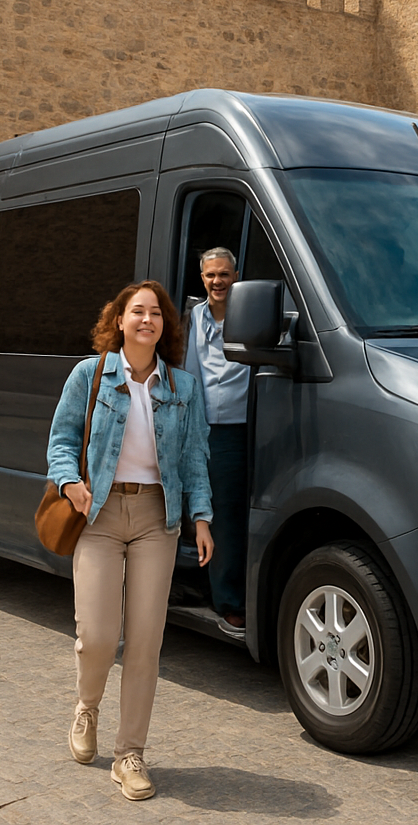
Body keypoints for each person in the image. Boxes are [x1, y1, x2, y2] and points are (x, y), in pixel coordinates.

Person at [47, 280, 214, 800]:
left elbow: (193, 457)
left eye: (156, 313)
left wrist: (201, 517)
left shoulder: (183, 387)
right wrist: (69, 482)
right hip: (97, 512)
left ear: (165, 325)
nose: (147, 320)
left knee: (145, 641)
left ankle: (130, 754)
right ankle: (87, 707)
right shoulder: (89, 374)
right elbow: (61, 440)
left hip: (155, 518)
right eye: (137, 311)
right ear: (118, 321)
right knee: (98, 636)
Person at [184, 247, 251, 640]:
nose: (217, 281)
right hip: (211, 428)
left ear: (235, 276)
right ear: (202, 278)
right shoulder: (195, 317)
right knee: (220, 515)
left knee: (238, 514)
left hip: (249, 424)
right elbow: (190, 371)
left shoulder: (250, 313)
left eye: (224, 274)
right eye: (210, 275)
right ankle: (228, 603)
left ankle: (238, 593)